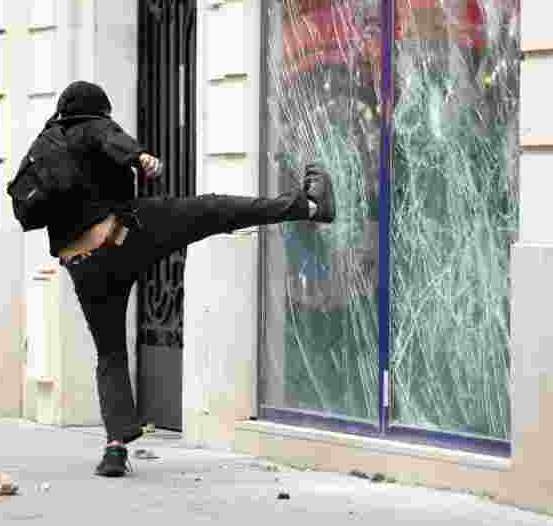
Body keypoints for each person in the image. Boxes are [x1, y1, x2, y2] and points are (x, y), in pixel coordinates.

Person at [44, 81, 335, 477]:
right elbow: (112, 140)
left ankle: (115, 447)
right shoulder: (93, 125)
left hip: (81, 266)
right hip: (122, 239)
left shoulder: (49, 144)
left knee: (109, 352)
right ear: (99, 110)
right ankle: (312, 205)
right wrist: (142, 157)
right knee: (210, 210)